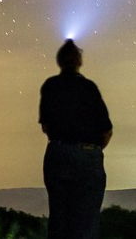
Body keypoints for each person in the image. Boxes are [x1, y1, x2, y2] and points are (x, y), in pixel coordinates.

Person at [39, 38, 112, 239]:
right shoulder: (89, 88)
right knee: (86, 222)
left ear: (60, 61)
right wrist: (91, 151)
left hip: (58, 154)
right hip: (87, 157)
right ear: (79, 61)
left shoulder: (50, 87)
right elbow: (106, 130)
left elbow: (46, 126)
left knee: (59, 221)